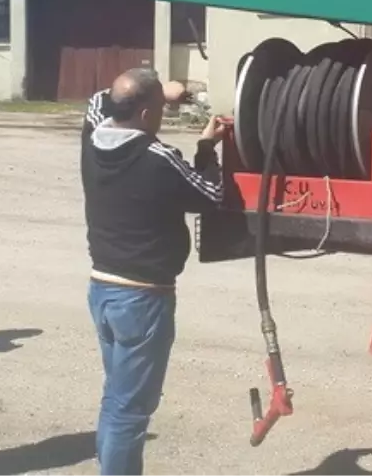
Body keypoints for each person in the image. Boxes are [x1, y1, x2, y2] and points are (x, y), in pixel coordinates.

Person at [80, 68, 229, 475]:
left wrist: (160, 92)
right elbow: (212, 195)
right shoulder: (157, 157)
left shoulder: (92, 140)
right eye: (160, 108)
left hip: (103, 290)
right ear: (146, 115)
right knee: (130, 412)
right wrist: (205, 147)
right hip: (143, 299)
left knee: (116, 400)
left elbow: (97, 101)